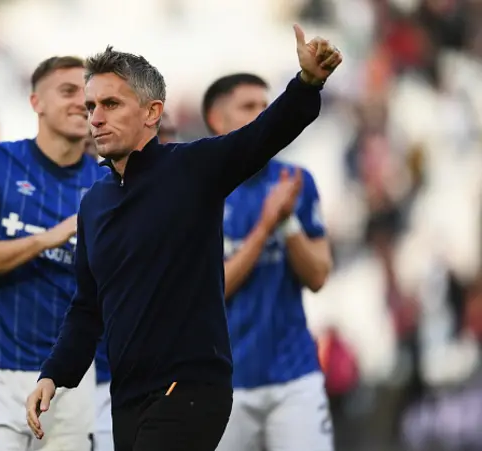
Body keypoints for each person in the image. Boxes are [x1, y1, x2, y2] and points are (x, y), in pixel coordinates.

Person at [27, 25, 342, 451]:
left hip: (190, 386)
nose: (95, 117)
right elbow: (87, 307)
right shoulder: (94, 204)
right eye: (90, 106)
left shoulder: (191, 168)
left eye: (111, 104)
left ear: (152, 113)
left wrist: (307, 83)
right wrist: (54, 374)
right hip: (127, 397)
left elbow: (264, 134)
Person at [0, 56, 105, 451]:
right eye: (67, 91)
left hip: (72, 376)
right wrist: (47, 238)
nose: (79, 103)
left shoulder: (108, 183)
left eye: (88, 96)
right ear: (36, 102)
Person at [201, 73, 334, 451]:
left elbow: (319, 275)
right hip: (222, 384)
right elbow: (210, 291)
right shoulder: (201, 189)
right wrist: (265, 225)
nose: (263, 116)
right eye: (248, 107)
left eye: (266, 106)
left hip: (294, 378)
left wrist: (288, 221)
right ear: (216, 118)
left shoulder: (296, 181)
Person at [93, 111, 180, 451]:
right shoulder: (97, 201)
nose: (165, 144)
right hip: (100, 378)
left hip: (171, 381)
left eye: (170, 133)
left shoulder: (191, 198)